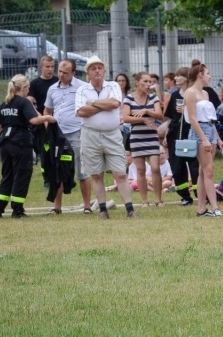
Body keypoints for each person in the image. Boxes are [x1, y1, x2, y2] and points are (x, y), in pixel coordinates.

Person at [75, 56, 138, 219]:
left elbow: (115, 104)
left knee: (120, 173)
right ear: (88, 73)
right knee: (96, 174)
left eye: (99, 67)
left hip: (112, 134)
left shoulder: (113, 85)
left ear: (104, 71)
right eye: (93, 68)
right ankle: (103, 210)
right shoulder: (82, 90)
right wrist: (104, 104)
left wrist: (93, 102)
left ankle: (130, 209)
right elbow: (81, 111)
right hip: (90, 135)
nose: (97, 70)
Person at [0, 75, 57, 218]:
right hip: (21, 143)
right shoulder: (23, 102)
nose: (28, 91)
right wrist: (47, 118)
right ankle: (17, 210)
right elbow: (33, 120)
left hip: (5, 144)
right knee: (21, 176)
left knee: (7, 176)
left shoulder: (5, 103)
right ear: (23, 88)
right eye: (27, 88)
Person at [43, 58, 93, 214]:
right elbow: (47, 111)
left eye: (65, 72)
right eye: (59, 71)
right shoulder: (52, 89)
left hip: (77, 134)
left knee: (81, 171)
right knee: (57, 170)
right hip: (58, 136)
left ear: (73, 72)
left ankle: (87, 206)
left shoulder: (83, 87)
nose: (61, 75)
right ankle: (56, 207)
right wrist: (48, 127)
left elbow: (91, 108)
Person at [183, 62, 223, 217]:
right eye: (207, 73)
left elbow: (211, 119)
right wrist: (203, 138)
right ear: (200, 74)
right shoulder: (190, 92)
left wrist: (217, 138)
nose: (209, 76)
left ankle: (202, 208)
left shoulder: (206, 93)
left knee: (204, 170)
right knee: (208, 170)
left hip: (210, 130)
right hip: (199, 131)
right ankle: (214, 207)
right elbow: (193, 118)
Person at [122, 72, 165, 207]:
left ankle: (158, 199)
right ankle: (144, 201)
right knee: (140, 170)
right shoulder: (129, 98)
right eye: (145, 82)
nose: (148, 85)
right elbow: (126, 118)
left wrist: (146, 111)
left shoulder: (153, 98)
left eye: (150, 82)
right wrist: (142, 119)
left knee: (155, 168)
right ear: (137, 83)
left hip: (151, 136)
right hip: (136, 137)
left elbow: (159, 115)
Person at [163, 67, 199, 206]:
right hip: (176, 134)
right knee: (177, 167)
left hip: (190, 132)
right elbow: (170, 118)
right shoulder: (174, 95)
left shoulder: (195, 94)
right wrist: (166, 135)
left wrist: (187, 109)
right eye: (176, 76)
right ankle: (185, 196)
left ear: (186, 78)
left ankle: (200, 193)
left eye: (179, 76)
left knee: (194, 165)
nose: (176, 78)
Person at [28, 55, 58, 189]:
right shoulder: (34, 84)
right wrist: (41, 116)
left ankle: (61, 177)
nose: (50, 69)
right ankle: (47, 180)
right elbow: (28, 101)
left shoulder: (58, 81)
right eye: (47, 66)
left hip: (58, 123)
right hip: (42, 125)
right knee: (45, 153)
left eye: (52, 67)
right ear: (41, 67)